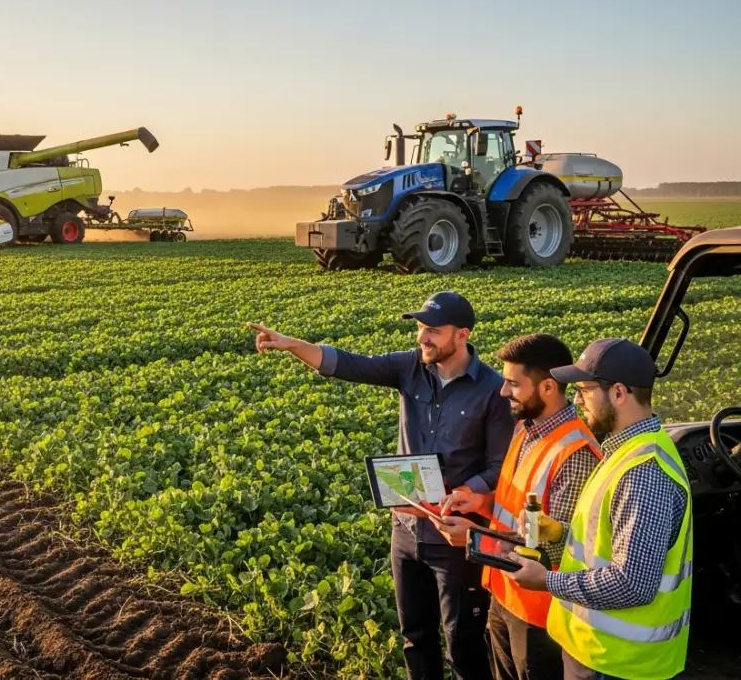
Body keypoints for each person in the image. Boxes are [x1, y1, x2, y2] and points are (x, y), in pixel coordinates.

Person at [251, 291, 513, 680]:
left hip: (454, 534)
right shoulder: (409, 367)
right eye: (421, 329)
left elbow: (499, 466)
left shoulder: (493, 389)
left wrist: (466, 491)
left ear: (462, 335)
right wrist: (292, 345)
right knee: (415, 636)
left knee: (463, 642)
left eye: (433, 331)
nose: (423, 338)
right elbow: (349, 364)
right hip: (406, 530)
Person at [505, 339, 693, 680]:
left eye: (584, 390)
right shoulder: (626, 450)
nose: (576, 401)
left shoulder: (643, 473)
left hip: (618, 664)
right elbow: (609, 540)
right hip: (597, 651)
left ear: (619, 393)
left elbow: (632, 584)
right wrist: (561, 531)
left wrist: (547, 580)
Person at [437, 334, 601, 680]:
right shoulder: (526, 430)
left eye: (513, 383)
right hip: (505, 593)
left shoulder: (575, 453)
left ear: (547, 388)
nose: (502, 391)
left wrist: (474, 536)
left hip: (540, 611)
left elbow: (555, 546)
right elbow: (520, 507)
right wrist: (482, 503)